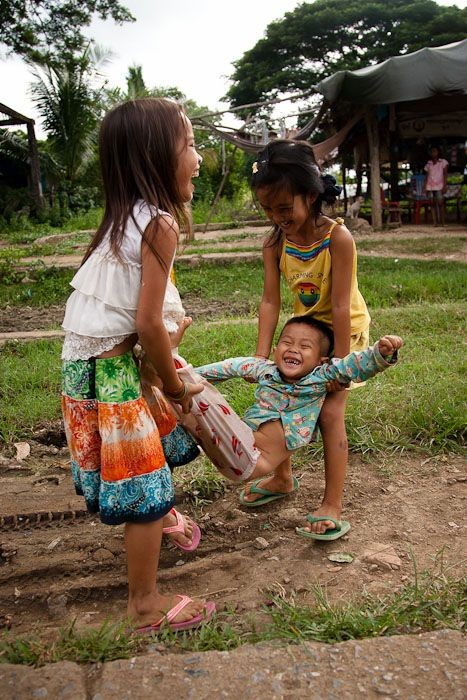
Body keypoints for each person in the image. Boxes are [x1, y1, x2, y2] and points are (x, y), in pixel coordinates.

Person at [60, 98, 215, 633]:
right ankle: (145, 603)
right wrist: (173, 385)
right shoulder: (160, 224)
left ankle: (162, 516)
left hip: (89, 374)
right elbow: (147, 324)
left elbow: (122, 321)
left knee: (156, 447)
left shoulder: (121, 219)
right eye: (190, 145)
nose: (198, 158)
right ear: (156, 156)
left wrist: (158, 362)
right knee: (145, 487)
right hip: (114, 377)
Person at [248, 138, 371, 539]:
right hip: (303, 330)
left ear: (312, 194)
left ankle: (332, 502)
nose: (276, 217)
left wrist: (341, 365)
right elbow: (270, 300)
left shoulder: (338, 239)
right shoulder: (274, 241)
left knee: (330, 413)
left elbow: (338, 306)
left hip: (341, 330)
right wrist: (261, 356)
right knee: (276, 397)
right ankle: (282, 479)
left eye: (284, 208)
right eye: (267, 209)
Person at [189, 316, 402, 540]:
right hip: (244, 441)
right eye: (287, 343)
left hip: (256, 459)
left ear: (321, 360)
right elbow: (229, 367)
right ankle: (281, 480)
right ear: (274, 350)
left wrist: (382, 352)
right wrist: (189, 374)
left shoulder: (323, 375)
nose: (293, 349)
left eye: (304, 346)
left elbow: (355, 364)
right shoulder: (264, 369)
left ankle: (328, 504)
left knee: (200, 414)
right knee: (191, 396)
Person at [424, 146, 449, 226]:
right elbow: (427, 176)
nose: (433, 153)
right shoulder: (428, 163)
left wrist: (445, 185)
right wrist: (425, 187)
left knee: (440, 203)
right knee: (432, 204)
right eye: (432, 152)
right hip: (430, 186)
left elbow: (445, 174)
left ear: (438, 152)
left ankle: (443, 222)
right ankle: (435, 222)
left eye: (435, 151)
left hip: (439, 185)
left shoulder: (443, 162)